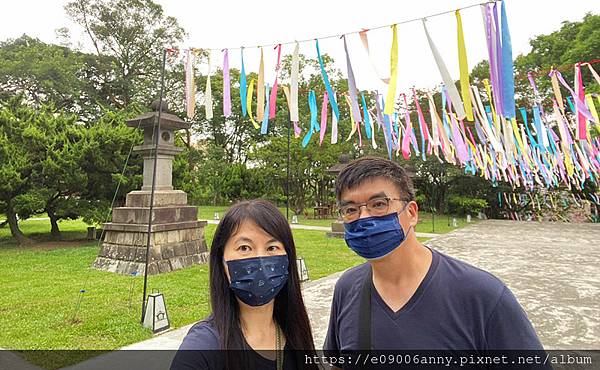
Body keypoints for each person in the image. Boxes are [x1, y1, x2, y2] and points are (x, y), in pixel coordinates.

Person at [324, 156, 547, 365]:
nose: (364, 218)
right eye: (351, 209)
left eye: (379, 204)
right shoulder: (347, 288)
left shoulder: (483, 295)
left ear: (411, 213)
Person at [171, 199, 318, 370]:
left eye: (272, 248)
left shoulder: (296, 333)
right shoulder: (203, 347)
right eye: (244, 248)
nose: (260, 261)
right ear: (222, 261)